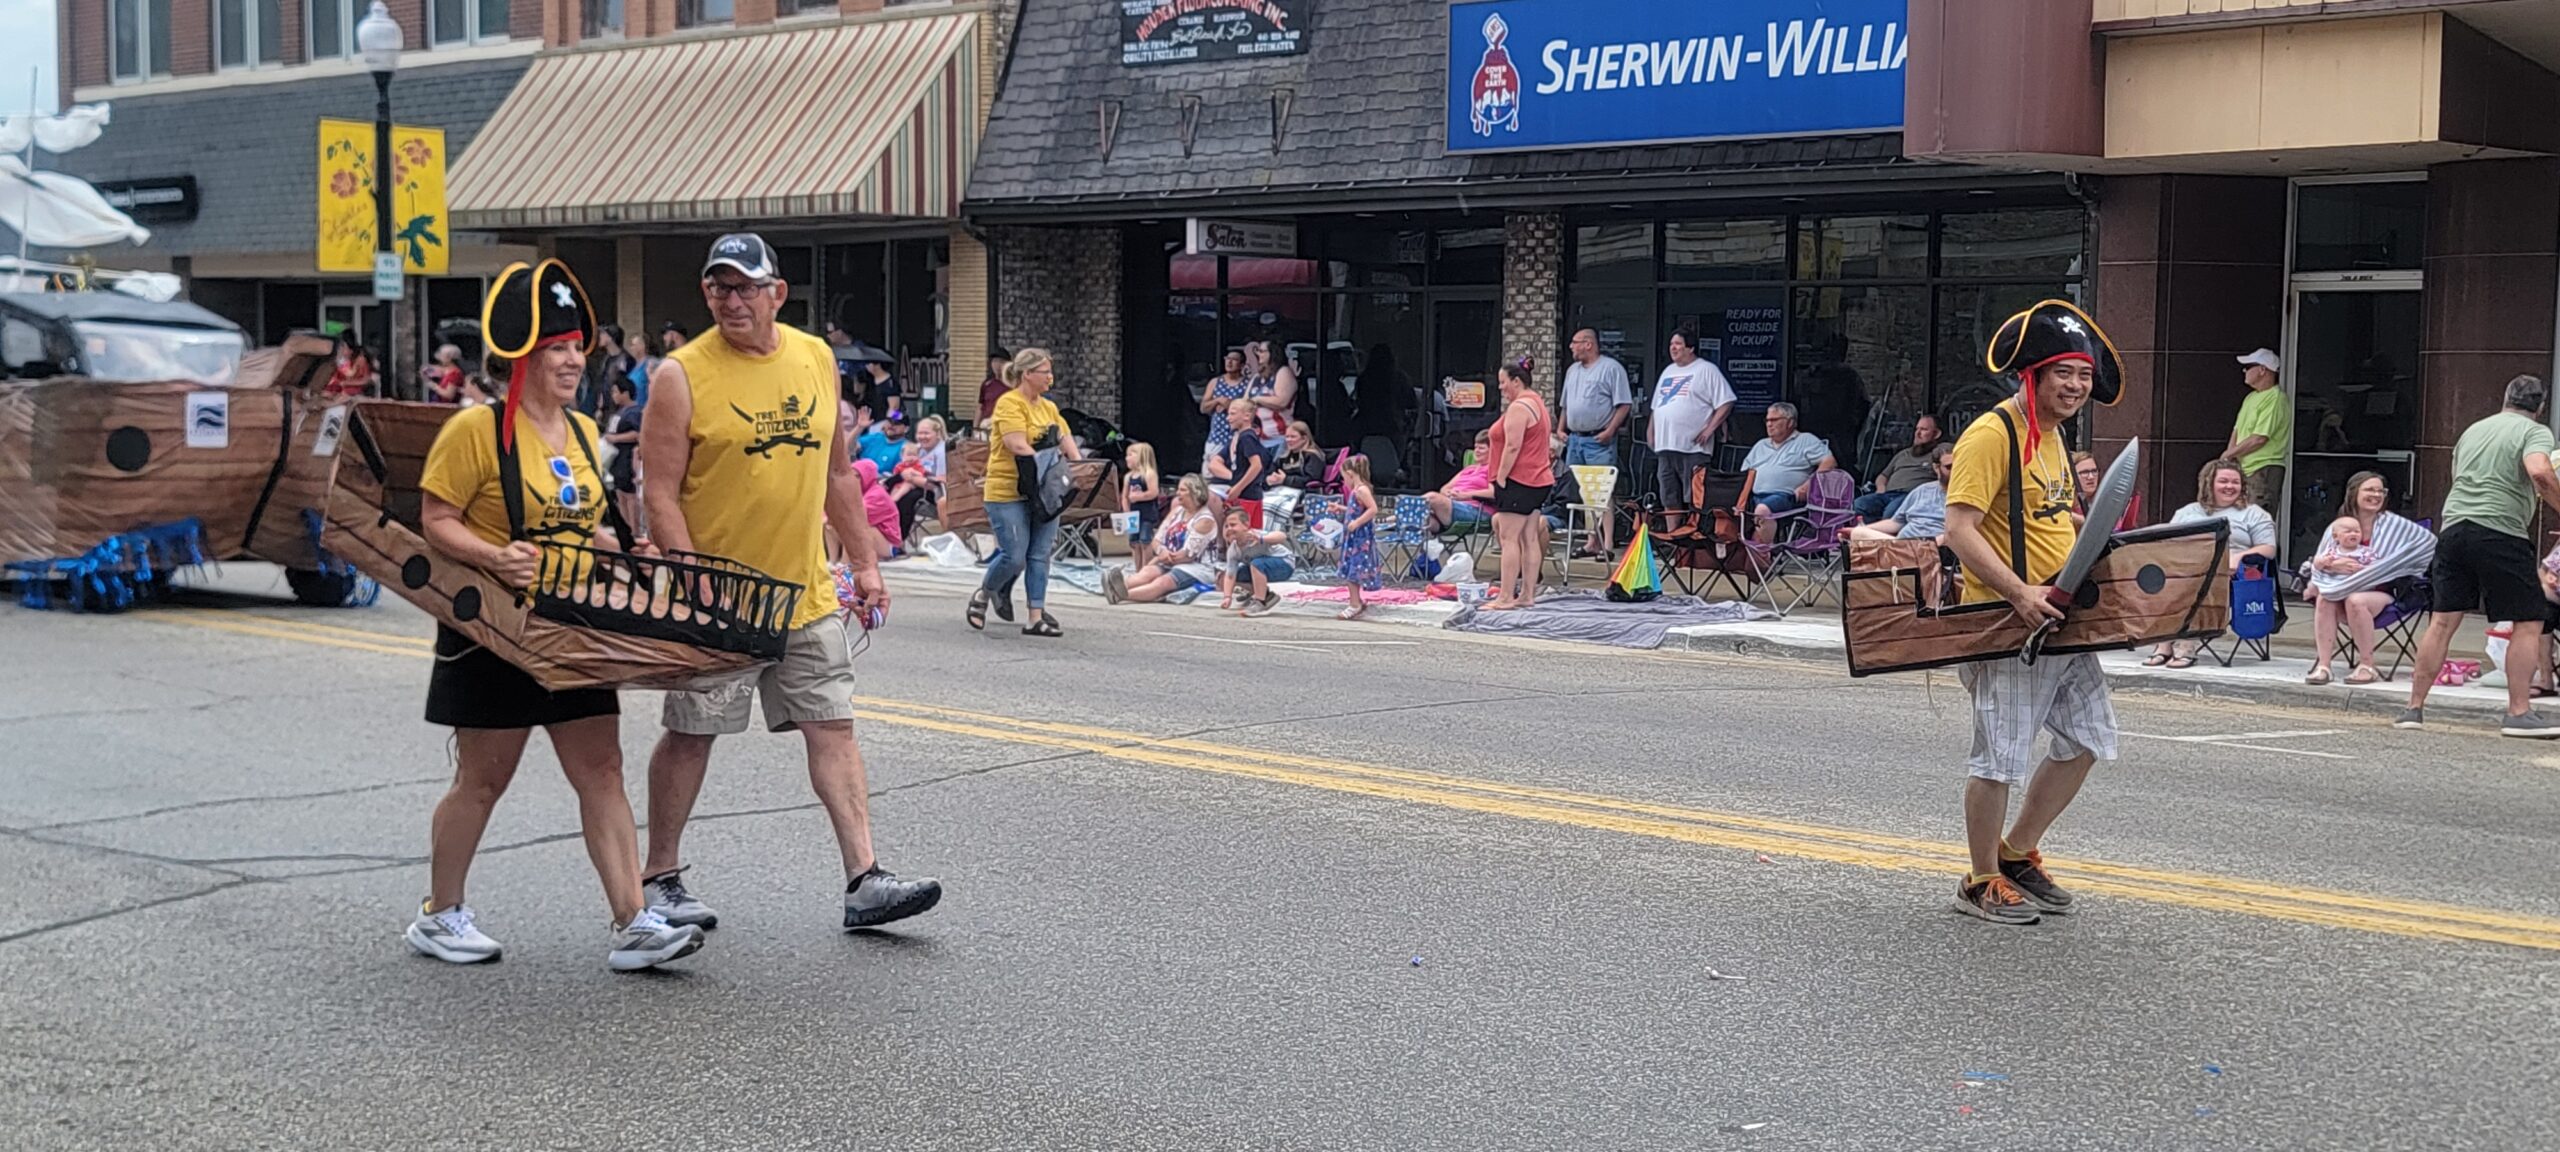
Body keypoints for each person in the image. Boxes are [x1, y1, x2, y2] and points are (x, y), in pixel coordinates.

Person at [636, 233, 941, 935]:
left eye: (746, 287)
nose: (732, 301)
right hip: (720, 598)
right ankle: (660, 876)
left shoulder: (813, 357)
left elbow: (837, 473)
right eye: (719, 288)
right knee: (692, 732)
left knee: (832, 725)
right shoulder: (682, 376)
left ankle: (865, 879)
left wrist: (864, 563)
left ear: (777, 292)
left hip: (804, 590)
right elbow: (659, 493)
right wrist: (694, 578)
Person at [404, 258, 703, 971]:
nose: (572, 360)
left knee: (602, 768)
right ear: (520, 355)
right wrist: (492, 555)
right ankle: (440, 914)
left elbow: (584, 519)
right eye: (556, 348)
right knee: (483, 779)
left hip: (571, 626)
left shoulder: (579, 427)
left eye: (576, 347)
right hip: (492, 632)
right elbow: (435, 520)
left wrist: (616, 545)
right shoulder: (476, 430)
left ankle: (632, 920)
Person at [1941, 299, 2124, 926]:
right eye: (2062, 374)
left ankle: (2016, 853)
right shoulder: (1992, 435)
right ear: (2032, 375)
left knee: (2088, 739)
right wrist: (2020, 593)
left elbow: (2048, 516)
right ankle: (1979, 880)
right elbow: (1959, 529)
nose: (2076, 386)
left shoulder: (2055, 436)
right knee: (2000, 757)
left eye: (2083, 375)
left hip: (2063, 620)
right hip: (2007, 623)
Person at [2400, 374, 2560, 736]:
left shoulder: (2473, 430)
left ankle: (2413, 708)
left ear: (2505, 399)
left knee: (2442, 621)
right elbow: (2539, 471)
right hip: (2500, 530)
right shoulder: (2535, 431)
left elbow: (2459, 476)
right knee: (2529, 620)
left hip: (2454, 529)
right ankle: (2519, 713)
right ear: (2540, 407)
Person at [968, 346, 1083, 637]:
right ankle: (985, 592)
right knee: (1014, 555)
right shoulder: (1009, 404)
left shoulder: (1049, 408)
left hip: (1044, 491)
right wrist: (1044, 466)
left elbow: (1065, 438)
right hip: (1008, 489)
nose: (1050, 378)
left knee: (1040, 554)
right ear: (1028, 374)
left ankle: (1035, 617)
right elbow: (1015, 443)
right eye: (1045, 372)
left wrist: (1077, 466)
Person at [2144, 459, 2279, 669]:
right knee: (2164, 580)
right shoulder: (2187, 512)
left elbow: (2268, 549)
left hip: (2230, 576)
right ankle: (2164, 645)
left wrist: (2240, 557)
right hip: (2184, 569)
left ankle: (2184, 647)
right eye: (2223, 481)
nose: (2230, 486)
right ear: (2209, 483)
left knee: (2195, 583)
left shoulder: (2254, 514)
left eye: (2235, 482)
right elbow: (2169, 542)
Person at [2302, 471, 2433, 687]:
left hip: (2383, 594)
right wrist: (2333, 565)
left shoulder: (2394, 525)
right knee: (2325, 597)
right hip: (2339, 591)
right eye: (2370, 490)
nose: (2376, 495)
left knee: (2356, 600)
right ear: (2354, 493)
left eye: (2381, 491)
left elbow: (2427, 543)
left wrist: (2379, 568)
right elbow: (2320, 560)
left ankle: (2367, 666)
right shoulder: (2338, 526)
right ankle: (2323, 666)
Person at [1483, 356, 1555, 612]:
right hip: (1539, 480)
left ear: (1516, 381)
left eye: (1503, 382)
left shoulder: (1519, 407)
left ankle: (1505, 596)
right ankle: (1526, 594)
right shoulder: (1537, 402)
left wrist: (1501, 476)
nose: (1500, 387)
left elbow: (1513, 446)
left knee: (1509, 538)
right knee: (1529, 537)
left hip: (1520, 479)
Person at [1648, 328, 1736, 510]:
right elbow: (1657, 406)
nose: (1673, 348)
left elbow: (1726, 401)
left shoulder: (1706, 369)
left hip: (1693, 448)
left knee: (1695, 497)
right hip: (1665, 445)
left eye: (1678, 344)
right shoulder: (1668, 371)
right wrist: (1651, 432)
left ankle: (1693, 528)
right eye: (1671, 344)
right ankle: (1674, 529)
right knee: (1668, 496)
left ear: (1691, 348)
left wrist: (1709, 430)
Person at [1108, 475, 1220, 605]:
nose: (1177, 493)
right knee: (1147, 573)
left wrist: (1162, 557)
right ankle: (1116, 586)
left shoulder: (1205, 520)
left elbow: (1188, 555)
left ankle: (1121, 595)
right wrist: (1162, 552)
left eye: (1182, 490)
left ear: (1195, 493)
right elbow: (1156, 540)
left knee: (1163, 582)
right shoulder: (1177, 511)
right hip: (1169, 560)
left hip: (1196, 567)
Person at [1741, 403, 1837, 545]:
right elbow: (1744, 473)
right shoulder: (1761, 445)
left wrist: (1808, 485)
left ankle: (1763, 553)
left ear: (1790, 422)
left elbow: (1830, 462)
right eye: (1767, 420)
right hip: (1753, 497)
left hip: (1786, 497)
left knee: (1762, 510)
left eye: (1774, 420)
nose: (1769, 424)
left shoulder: (1805, 440)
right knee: (1723, 507)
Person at [2227, 348, 2290, 513]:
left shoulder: (2275, 398)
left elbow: (2259, 438)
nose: (2244, 371)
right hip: (2244, 469)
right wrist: (2230, 458)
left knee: (2256, 520)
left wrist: (2228, 455)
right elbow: (2237, 431)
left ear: (2263, 369)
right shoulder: (2250, 398)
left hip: (2263, 469)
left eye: (2248, 367)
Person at [1560, 328, 1633, 470]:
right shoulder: (1572, 370)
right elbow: (1565, 405)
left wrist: (1610, 431)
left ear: (1588, 344)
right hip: (1573, 441)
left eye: (1575, 342)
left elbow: (1624, 404)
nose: (1571, 346)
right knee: (1572, 482)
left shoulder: (1611, 368)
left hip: (1598, 442)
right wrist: (1560, 430)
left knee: (1598, 483)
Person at [1851, 444, 1952, 541]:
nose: (1955, 471)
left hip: (1931, 547)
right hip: (1901, 543)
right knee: (1856, 533)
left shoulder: (1959, 496)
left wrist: (1938, 542)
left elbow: (1955, 533)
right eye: (1949, 467)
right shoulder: (1922, 490)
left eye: (1958, 466)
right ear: (1936, 468)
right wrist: (1863, 529)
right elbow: (1896, 523)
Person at [1854, 414, 1943, 523]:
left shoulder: (1939, 453)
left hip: (1912, 496)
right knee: (1859, 504)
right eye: (1917, 429)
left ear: (1936, 434)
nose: (1917, 433)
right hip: (1887, 494)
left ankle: (1881, 532)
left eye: (1924, 429)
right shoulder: (1903, 454)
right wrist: (1881, 488)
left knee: (1891, 512)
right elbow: (1883, 476)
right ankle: (1869, 531)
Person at [1217, 504, 1295, 617]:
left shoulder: (1255, 536)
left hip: (1284, 564)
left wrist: (1263, 539)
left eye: (1233, 525)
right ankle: (1265, 594)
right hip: (1261, 567)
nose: (1229, 529)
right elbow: (1230, 576)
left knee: (1256, 564)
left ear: (1246, 525)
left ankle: (1260, 602)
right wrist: (1227, 597)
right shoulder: (1233, 550)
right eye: (1226, 526)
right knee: (1232, 574)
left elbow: (1282, 536)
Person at [1206, 398, 1272, 527]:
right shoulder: (1240, 437)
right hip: (1247, 494)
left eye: (1232, 414)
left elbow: (1256, 465)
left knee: (1243, 532)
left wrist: (1238, 488)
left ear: (1246, 416)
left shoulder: (1247, 437)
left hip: (1247, 495)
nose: (1228, 418)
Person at [1335, 453, 1383, 621]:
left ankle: (1354, 604)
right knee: (1351, 567)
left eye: (1344, 478)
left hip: (1359, 538)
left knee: (1353, 569)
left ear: (1350, 474)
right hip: (1353, 537)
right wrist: (1341, 508)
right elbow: (1356, 509)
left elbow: (1373, 509)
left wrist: (1356, 523)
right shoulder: (1357, 491)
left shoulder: (1361, 490)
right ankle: (1356, 601)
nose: (1344, 482)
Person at [1424, 430, 1497, 534]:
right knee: (1425, 521)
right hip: (1454, 505)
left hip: (1476, 510)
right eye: (1475, 447)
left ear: (1493, 450)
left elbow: (1494, 493)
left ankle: (1399, 517)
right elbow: (1444, 488)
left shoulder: (1494, 469)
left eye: (1481, 448)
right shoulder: (1469, 469)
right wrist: (1449, 493)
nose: (1476, 451)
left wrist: (1465, 495)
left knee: (1432, 497)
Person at [889, 414, 948, 538]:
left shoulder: (941, 451)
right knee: (888, 490)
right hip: (915, 484)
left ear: (937, 434)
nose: (922, 437)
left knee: (906, 500)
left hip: (935, 492)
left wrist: (913, 478)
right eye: (919, 433)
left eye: (926, 433)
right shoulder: (918, 449)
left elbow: (941, 482)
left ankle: (900, 538)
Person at [603, 373, 645, 538]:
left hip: (627, 457)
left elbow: (637, 433)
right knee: (620, 492)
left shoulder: (634, 412)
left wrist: (616, 438)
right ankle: (625, 527)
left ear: (625, 393)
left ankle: (634, 529)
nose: (613, 396)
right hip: (616, 458)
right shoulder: (619, 412)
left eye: (616, 392)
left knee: (629, 493)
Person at [2070, 450, 2142, 532]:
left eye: (2094, 471)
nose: (2091, 477)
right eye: (2084, 472)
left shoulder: (2105, 501)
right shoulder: (2066, 503)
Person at [1245, 340, 1298, 451]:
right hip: (1258, 438)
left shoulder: (1283, 372)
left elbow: (1282, 402)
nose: (1258, 354)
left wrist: (1257, 399)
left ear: (1272, 353)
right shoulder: (1257, 377)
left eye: (1261, 351)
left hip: (1280, 437)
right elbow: (1245, 401)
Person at [1201, 349, 1249, 466]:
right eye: (1227, 359)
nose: (1229, 362)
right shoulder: (1215, 382)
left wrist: (1229, 404)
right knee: (1211, 469)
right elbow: (1203, 408)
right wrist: (1217, 400)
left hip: (1237, 437)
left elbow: (1249, 408)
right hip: (1216, 437)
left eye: (1234, 359)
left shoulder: (1247, 384)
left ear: (1242, 365)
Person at [1121, 441, 1163, 569]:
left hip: (1147, 514)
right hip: (1133, 515)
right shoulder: (1128, 477)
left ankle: (1146, 567)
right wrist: (1126, 511)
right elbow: (1124, 496)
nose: (1127, 458)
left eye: (1130, 455)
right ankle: (1137, 568)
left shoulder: (1149, 474)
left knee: (1145, 540)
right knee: (1134, 542)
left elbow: (1153, 492)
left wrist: (1139, 497)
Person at [854, 458, 903, 556]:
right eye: (851, 476)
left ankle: (844, 562)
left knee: (853, 528)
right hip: (876, 536)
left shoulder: (877, 495)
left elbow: (858, 518)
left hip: (889, 544)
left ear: (867, 476)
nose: (853, 480)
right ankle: (833, 561)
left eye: (857, 476)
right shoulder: (859, 491)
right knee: (830, 527)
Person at [1273, 420, 1329, 491]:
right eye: (1287, 437)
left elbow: (1312, 480)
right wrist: (1269, 480)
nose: (1288, 440)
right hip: (1280, 491)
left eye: (1293, 437)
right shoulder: (1283, 458)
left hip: (1304, 493)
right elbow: (1270, 472)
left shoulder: (1313, 456)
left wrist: (1286, 479)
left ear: (1304, 438)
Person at [855, 409, 910, 475]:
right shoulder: (874, 437)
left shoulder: (907, 448)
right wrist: (859, 427)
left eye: (896, 423)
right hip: (858, 475)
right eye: (889, 421)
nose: (891, 425)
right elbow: (849, 449)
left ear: (906, 429)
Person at [977, 348, 1012, 421]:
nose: (997, 365)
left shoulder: (1013, 384)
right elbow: (980, 406)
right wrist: (975, 426)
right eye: (995, 361)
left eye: (1001, 362)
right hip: (986, 423)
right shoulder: (987, 384)